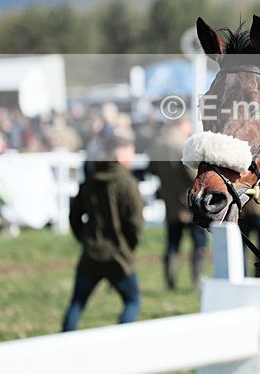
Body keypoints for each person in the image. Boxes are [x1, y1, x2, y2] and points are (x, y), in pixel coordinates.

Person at [61, 130, 144, 331]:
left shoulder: (91, 178)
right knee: (133, 301)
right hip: (117, 254)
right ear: (119, 154)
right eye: (130, 152)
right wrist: (128, 246)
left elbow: (74, 215)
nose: (132, 157)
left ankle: (62, 343)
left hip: (91, 252)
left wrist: (84, 237)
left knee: (77, 302)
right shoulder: (126, 182)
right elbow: (135, 223)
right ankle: (122, 340)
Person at [147, 119, 209, 290]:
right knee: (199, 242)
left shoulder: (158, 144)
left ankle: (170, 282)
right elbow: (192, 175)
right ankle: (197, 280)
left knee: (173, 243)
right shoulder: (185, 144)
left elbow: (151, 169)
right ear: (182, 124)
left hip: (170, 201)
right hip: (190, 201)